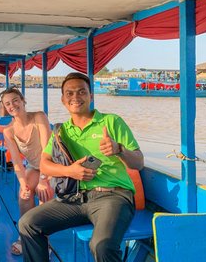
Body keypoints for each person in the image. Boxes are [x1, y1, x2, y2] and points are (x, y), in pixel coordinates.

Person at [18, 72, 144, 262]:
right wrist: (70, 171)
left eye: (81, 92)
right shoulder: (61, 131)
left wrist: (119, 150)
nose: (75, 97)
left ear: (91, 96)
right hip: (75, 198)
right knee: (27, 223)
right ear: (63, 99)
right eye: (69, 93)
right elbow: (44, 165)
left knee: (102, 245)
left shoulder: (111, 122)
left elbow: (139, 162)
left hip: (112, 197)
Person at [0, 87, 53, 256]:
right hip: (33, 166)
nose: (12, 105)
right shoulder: (9, 131)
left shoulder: (38, 117)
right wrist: (23, 185)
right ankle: (25, 236)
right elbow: (16, 162)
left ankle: (45, 240)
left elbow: (47, 150)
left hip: (51, 164)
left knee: (45, 194)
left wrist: (44, 179)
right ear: (5, 108)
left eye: (15, 100)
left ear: (23, 101)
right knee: (24, 195)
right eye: (8, 103)